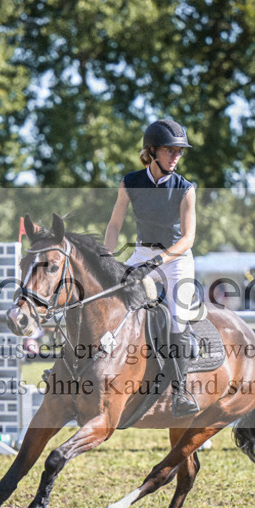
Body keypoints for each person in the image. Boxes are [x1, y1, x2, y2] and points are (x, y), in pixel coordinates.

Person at [105, 119, 202, 417]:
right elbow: (114, 224)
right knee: (107, 299)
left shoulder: (185, 189)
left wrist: (158, 261)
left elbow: (188, 239)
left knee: (178, 319)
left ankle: (181, 393)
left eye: (179, 152)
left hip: (175, 259)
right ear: (152, 151)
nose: (176, 156)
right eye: (170, 150)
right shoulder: (130, 182)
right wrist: (106, 258)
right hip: (141, 253)